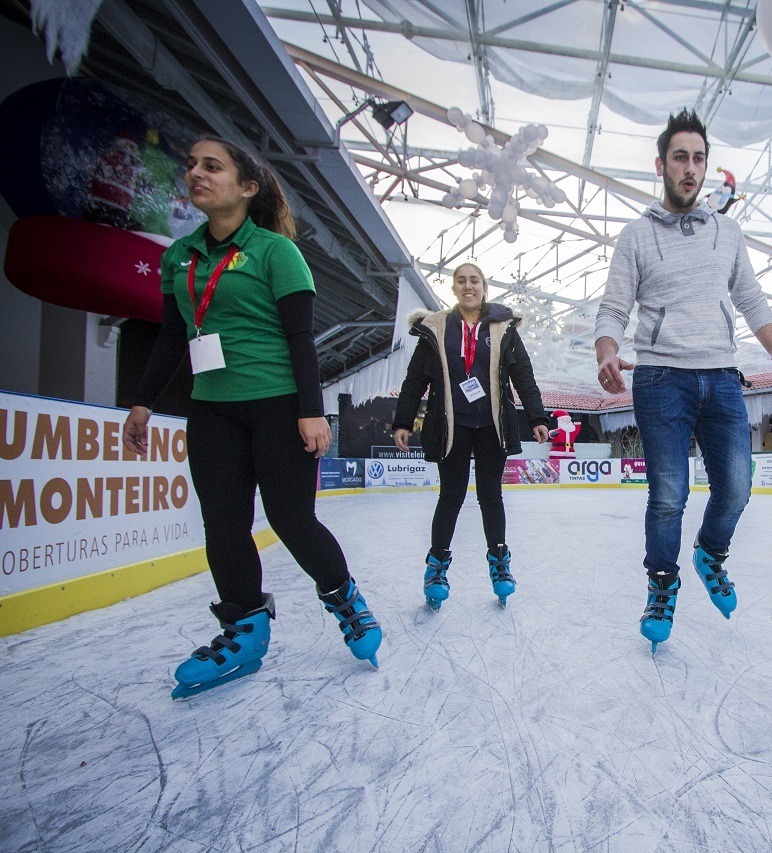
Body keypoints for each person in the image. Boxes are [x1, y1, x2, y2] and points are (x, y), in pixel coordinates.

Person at [123, 136, 381, 699]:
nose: (196, 173)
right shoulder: (179, 256)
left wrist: (312, 412)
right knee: (223, 523)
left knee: (291, 519)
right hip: (212, 409)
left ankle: (344, 598)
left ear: (246, 187)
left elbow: (301, 338)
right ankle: (244, 630)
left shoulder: (275, 252)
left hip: (278, 406)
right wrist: (143, 400)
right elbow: (171, 336)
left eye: (212, 166)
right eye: (192, 165)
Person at [594, 108, 772, 652]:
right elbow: (613, 307)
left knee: (737, 486)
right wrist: (607, 351)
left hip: (722, 376)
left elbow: (751, 297)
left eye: (699, 159)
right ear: (661, 165)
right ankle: (662, 585)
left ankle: (710, 551)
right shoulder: (636, 236)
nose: (690, 168)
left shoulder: (727, 232)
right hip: (661, 378)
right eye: (680, 157)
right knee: (669, 494)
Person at [392, 263, 550, 610]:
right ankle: (436, 569)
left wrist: (537, 417)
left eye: (474, 280)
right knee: (451, 495)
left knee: (491, 495)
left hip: (492, 424)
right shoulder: (436, 328)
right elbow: (415, 379)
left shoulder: (503, 327)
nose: (468, 286)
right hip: (451, 424)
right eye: (461, 281)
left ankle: (500, 563)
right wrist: (403, 421)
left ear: (484, 288)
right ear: (453, 288)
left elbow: (523, 375)